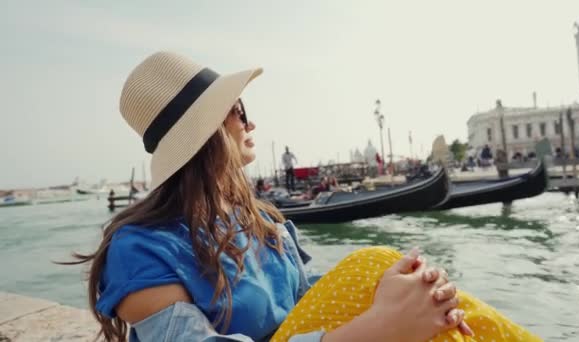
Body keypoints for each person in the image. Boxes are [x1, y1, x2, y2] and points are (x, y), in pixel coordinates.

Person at [70, 52, 541, 342]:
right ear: (208, 131)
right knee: (370, 266)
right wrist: (376, 330)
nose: (249, 122)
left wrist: (403, 296)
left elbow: (312, 297)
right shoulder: (141, 249)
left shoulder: (261, 221)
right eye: (238, 110)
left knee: (402, 283)